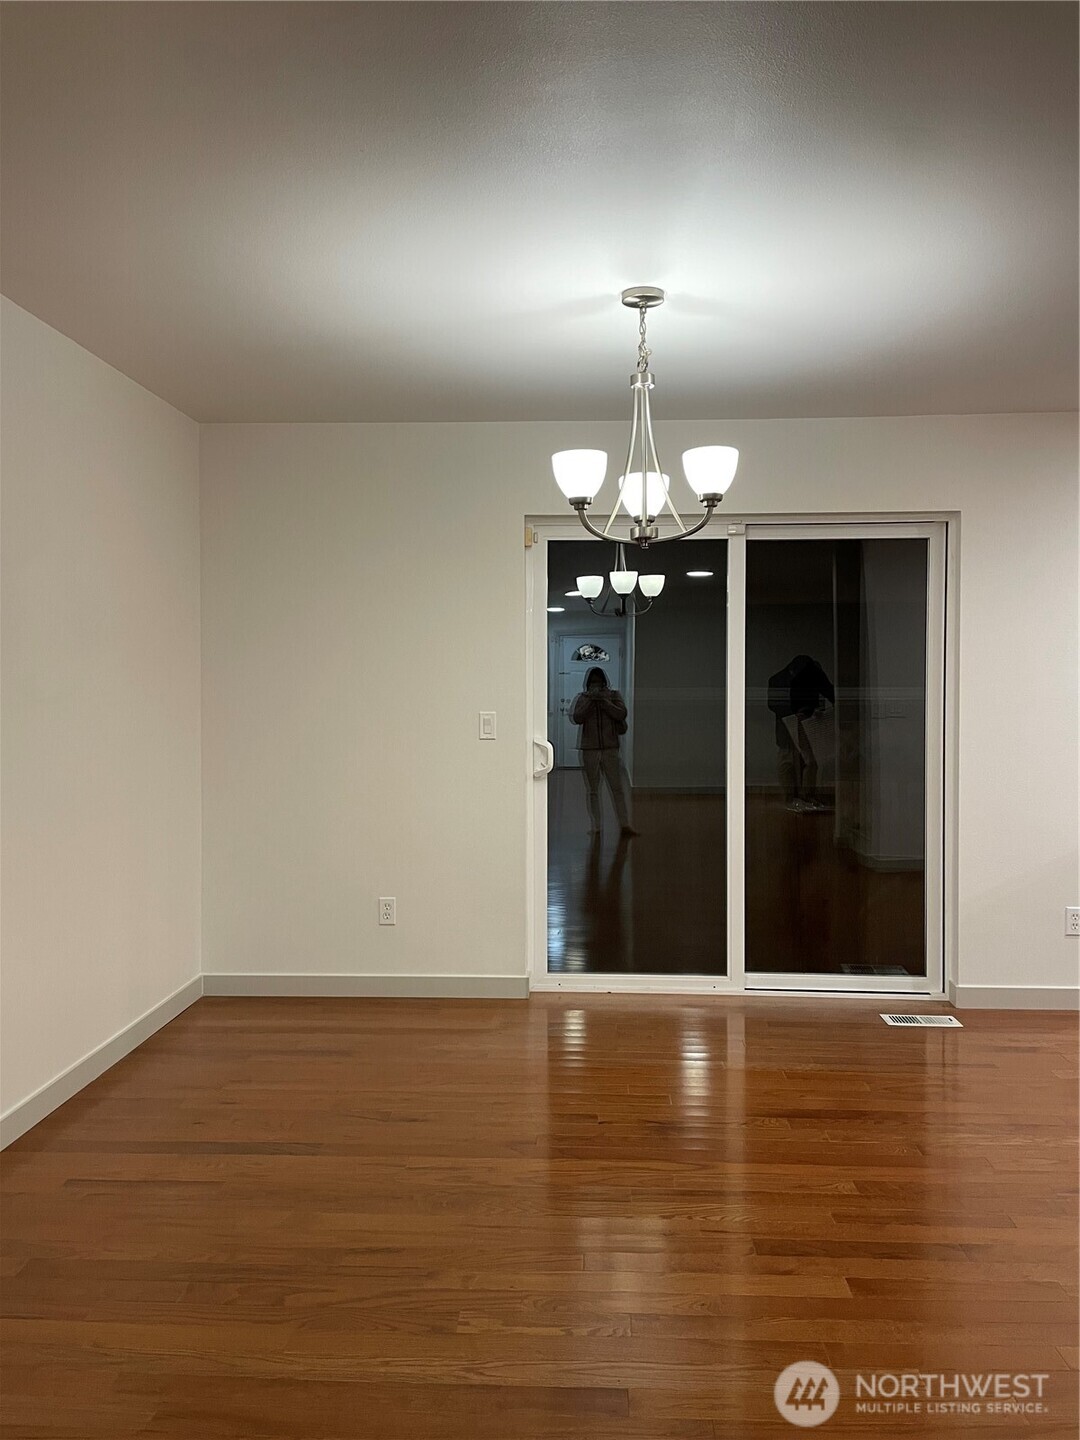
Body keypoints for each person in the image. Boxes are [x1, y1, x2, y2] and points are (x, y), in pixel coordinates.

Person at [570, 666, 637, 835]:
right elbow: (577, 718)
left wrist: (604, 702)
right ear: (588, 684)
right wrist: (591, 701)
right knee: (593, 789)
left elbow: (621, 714)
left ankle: (625, 825)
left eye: (599, 683)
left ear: (604, 683)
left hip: (610, 748)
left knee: (617, 788)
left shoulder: (614, 696)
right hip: (590, 749)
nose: (596, 686)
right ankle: (597, 826)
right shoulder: (583, 698)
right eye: (593, 683)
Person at [767, 654, 835, 812]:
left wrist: (816, 709)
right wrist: (794, 713)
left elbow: (828, 693)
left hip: (809, 723)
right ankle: (791, 798)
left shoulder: (811, 676)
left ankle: (807, 795)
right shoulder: (778, 680)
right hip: (788, 724)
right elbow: (774, 704)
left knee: (810, 761)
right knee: (788, 760)